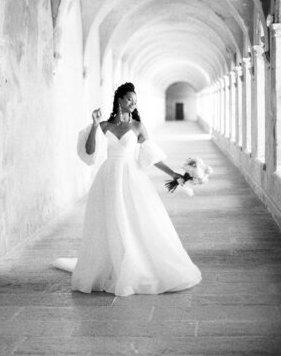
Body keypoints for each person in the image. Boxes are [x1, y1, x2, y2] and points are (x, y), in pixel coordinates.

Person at [53, 82, 202, 296]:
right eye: (130, 99)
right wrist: (95, 125)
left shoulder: (138, 127)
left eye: (135, 100)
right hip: (108, 176)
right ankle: (111, 264)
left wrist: (174, 175)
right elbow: (90, 152)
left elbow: (152, 158)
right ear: (120, 100)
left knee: (135, 219)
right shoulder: (105, 125)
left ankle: (134, 265)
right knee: (110, 220)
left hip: (132, 176)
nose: (133, 103)